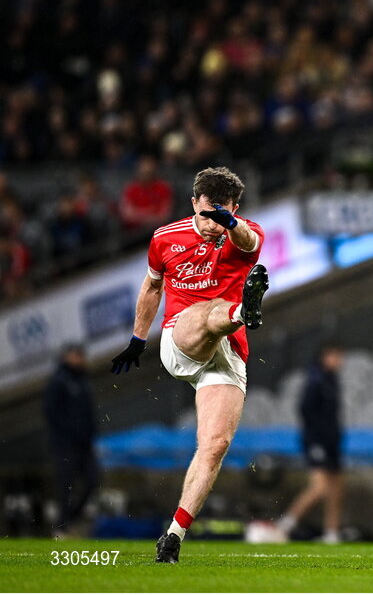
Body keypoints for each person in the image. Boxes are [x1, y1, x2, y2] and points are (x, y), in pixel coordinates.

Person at [109, 166, 268, 563]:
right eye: (206, 213)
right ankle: (241, 311)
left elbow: (247, 240)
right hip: (182, 340)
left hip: (227, 355)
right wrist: (137, 339)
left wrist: (230, 223)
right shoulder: (165, 238)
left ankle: (174, 536)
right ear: (193, 203)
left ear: (235, 208)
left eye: (224, 213)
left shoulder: (245, 233)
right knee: (209, 311)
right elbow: (151, 287)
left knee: (214, 446)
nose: (213, 224)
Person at [278, 344, 346, 543]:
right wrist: (316, 438)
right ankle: (286, 523)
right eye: (336, 356)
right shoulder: (315, 381)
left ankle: (331, 532)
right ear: (325, 356)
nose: (340, 362)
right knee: (320, 487)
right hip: (317, 441)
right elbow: (306, 410)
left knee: (337, 488)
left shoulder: (332, 380)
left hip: (331, 441)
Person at [43, 345, 99, 538]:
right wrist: (69, 433)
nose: (80, 359)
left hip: (84, 444)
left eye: (81, 355)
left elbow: (89, 412)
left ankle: (71, 520)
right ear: (66, 357)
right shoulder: (59, 381)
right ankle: (62, 527)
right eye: (76, 355)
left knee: (93, 481)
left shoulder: (84, 380)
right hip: (65, 445)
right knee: (66, 486)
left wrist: (90, 432)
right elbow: (51, 412)